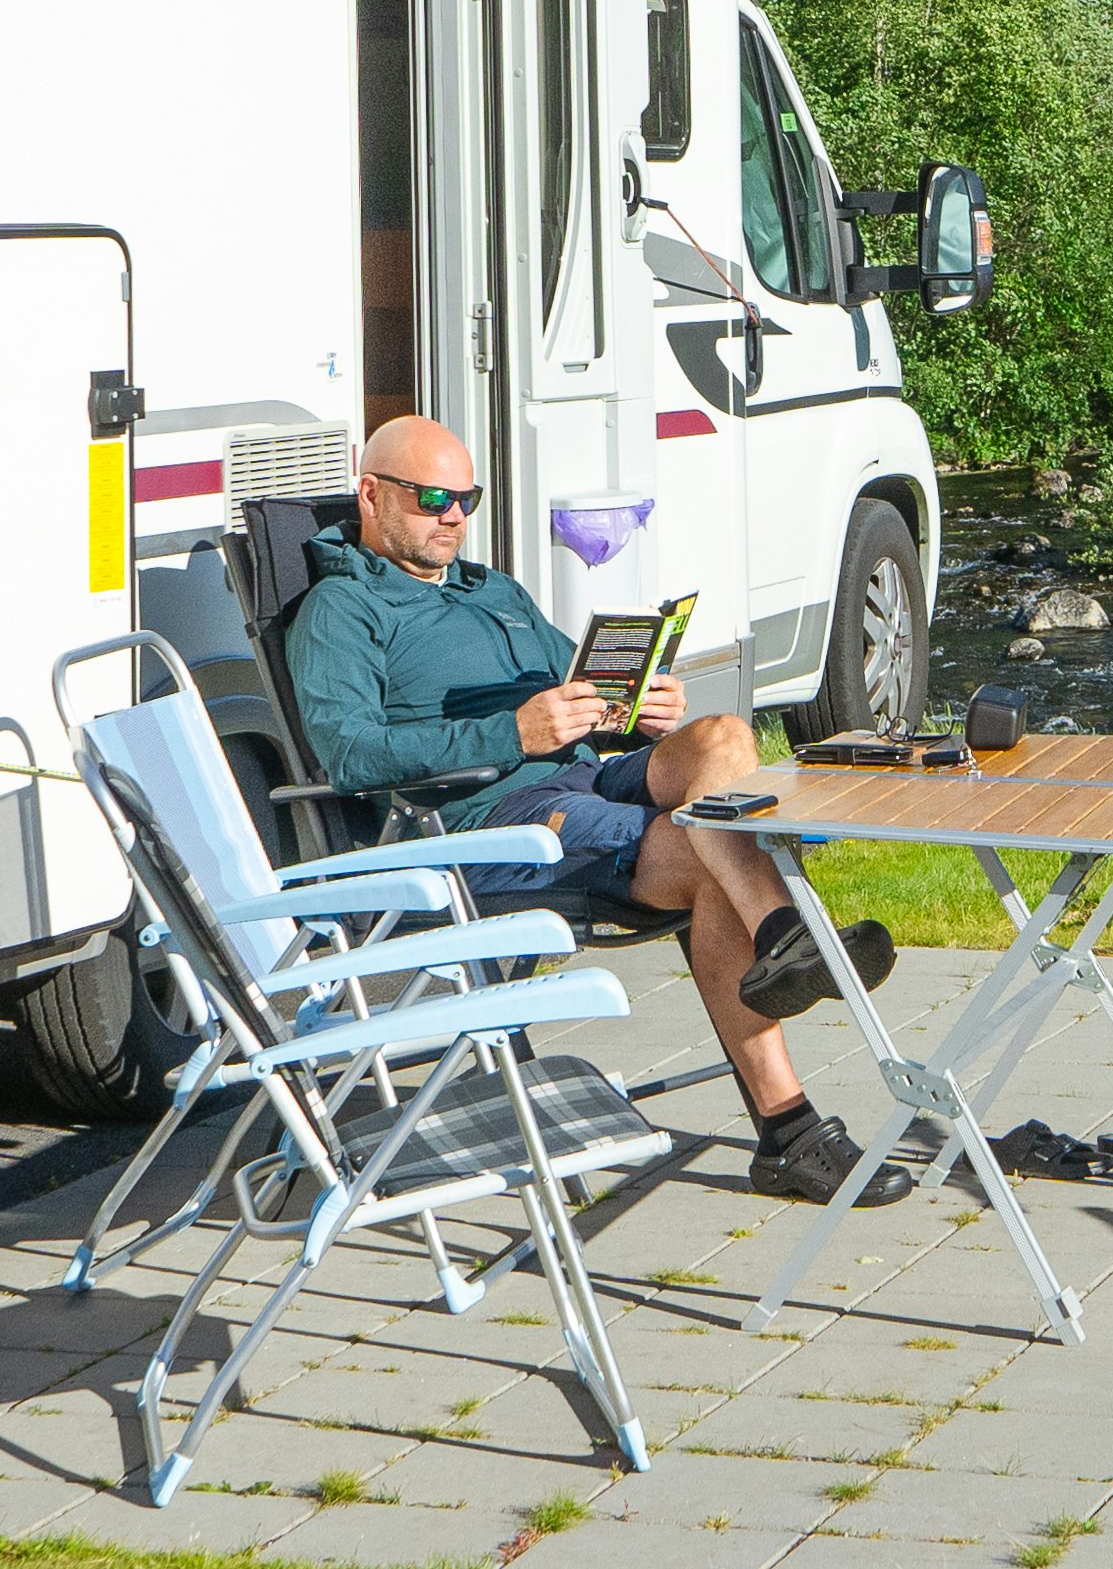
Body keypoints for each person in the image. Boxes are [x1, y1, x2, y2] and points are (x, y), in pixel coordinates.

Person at [280, 412, 912, 1206]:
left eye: (467, 498)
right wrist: (511, 730)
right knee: (708, 852)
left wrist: (638, 708)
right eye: (435, 496)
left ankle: (784, 939)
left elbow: (577, 691)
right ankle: (790, 1120)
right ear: (370, 495)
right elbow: (351, 754)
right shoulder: (343, 610)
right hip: (492, 820)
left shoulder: (494, 591)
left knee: (721, 737)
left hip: (584, 773)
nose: (454, 516)